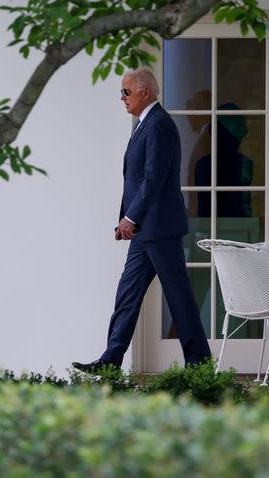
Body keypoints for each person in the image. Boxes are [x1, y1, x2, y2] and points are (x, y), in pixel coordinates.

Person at [72, 69, 212, 374]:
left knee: (179, 297)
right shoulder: (144, 123)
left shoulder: (158, 124)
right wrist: (128, 221)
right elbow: (135, 179)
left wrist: (130, 217)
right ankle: (110, 361)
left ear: (144, 92)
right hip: (144, 229)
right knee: (128, 293)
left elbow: (152, 178)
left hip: (159, 229)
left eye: (126, 92)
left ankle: (200, 366)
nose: (121, 98)